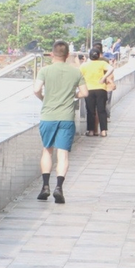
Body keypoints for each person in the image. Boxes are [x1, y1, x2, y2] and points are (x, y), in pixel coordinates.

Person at [33, 41, 89, 204]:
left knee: (47, 151)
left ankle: (45, 186)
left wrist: (44, 98)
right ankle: (59, 187)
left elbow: (36, 90)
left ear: (52, 54)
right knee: (63, 153)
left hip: (48, 116)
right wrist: (72, 96)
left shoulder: (45, 71)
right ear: (67, 56)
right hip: (66, 117)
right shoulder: (75, 72)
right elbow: (84, 92)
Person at [81, 47, 112, 137]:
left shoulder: (84, 65)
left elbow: (78, 75)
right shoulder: (102, 63)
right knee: (101, 110)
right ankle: (103, 131)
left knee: (90, 111)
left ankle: (91, 131)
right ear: (98, 56)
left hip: (89, 89)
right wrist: (103, 77)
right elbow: (111, 69)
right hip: (101, 89)